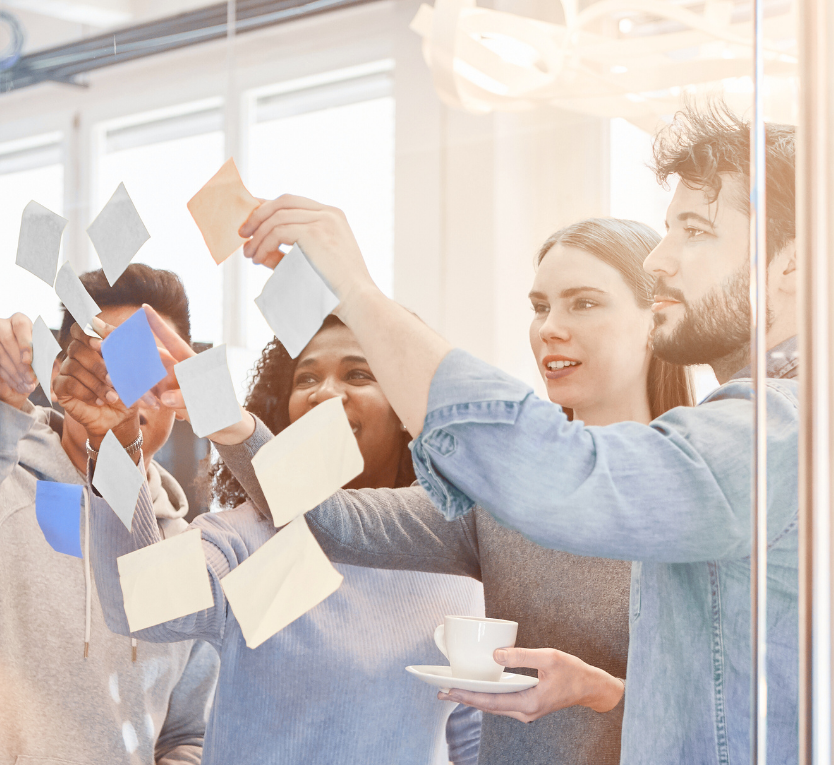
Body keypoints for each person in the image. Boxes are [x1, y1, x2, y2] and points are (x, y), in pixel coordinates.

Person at [237, 103, 834, 763]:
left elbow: (559, 472)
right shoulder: (785, 427)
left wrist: (357, 290)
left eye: (696, 231)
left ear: (795, 266)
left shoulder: (785, 432)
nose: (661, 261)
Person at [204, 218, 693, 764]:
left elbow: (739, 720)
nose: (550, 328)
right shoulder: (504, 493)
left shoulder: (696, 493)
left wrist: (605, 694)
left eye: (583, 303)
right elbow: (335, 520)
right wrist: (230, 422)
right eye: (539, 306)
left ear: (657, 320)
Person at [59, 310, 484, 764]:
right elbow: (139, 602)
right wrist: (118, 444)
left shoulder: (453, 558)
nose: (324, 393)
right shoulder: (250, 539)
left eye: (358, 374)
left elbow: (476, 739)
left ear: (406, 408)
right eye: (306, 379)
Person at [0, 265, 218, 765]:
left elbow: (188, 733)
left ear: (178, 392)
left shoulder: (187, 551)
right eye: (105, 357)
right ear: (61, 374)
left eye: (148, 361)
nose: (124, 383)